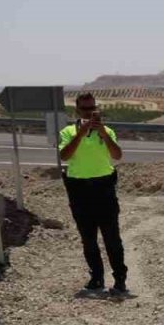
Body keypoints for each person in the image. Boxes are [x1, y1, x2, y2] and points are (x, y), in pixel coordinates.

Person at [58, 93, 127, 293]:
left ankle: (120, 278)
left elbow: (117, 155)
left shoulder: (106, 132)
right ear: (77, 111)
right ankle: (96, 277)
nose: (89, 113)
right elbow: (64, 156)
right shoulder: (68, 132)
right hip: (78, 190)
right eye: (85, 109)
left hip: (103, 188)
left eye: (92, 109)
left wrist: (103, 133)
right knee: (88, 238)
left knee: (112, 237)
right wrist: (81, 133)